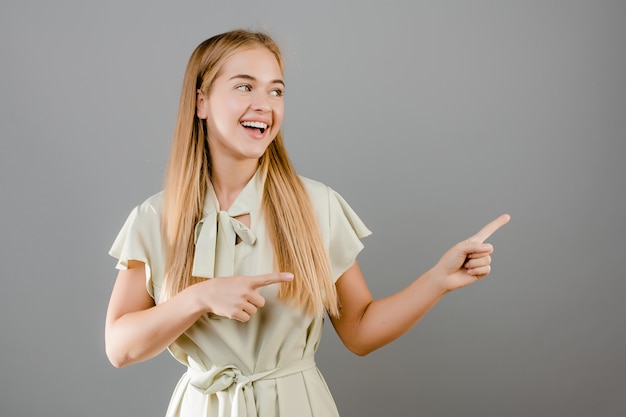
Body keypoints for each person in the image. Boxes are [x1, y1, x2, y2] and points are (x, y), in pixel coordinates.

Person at [105, 29, 510, 417]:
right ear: (201, 102)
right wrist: (199, 297)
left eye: (276, 90)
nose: (265, 104)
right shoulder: (156, 218)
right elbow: (119, 348)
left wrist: (438, 279)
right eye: (245, 86)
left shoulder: (317, 205)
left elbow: (359, 330)